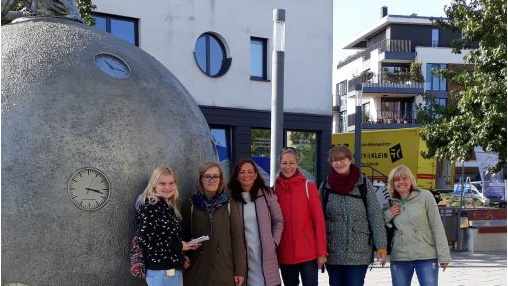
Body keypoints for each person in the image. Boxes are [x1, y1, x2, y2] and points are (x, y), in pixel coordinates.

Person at [319, 145, 387, 286]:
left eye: (342, 159)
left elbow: (375, 215)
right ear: (331, 163)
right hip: (333, 251)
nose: (339, 163)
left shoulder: (363, 184)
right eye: (335, 160)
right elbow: (318, 219)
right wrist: (319, 251)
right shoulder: (326, 186)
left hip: (359, 251)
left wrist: (381, 247)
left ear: (350, 160)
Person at [182, 162, 246, 286]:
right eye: (208, 176)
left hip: (223, 271)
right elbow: (184, 236)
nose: (212, 180)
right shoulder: (190, 204)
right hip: (197, 271)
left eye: (216, 176)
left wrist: (240, 270)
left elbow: (237, 239)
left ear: (220, 179)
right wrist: (183, 257)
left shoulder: (228, 204)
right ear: (201, 179)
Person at [385, 165, 451, 286]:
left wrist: (444, 255)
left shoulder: (425, 196)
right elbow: (378, 225)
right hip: (399, 257)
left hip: (425, 256)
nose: (401, 182)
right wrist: (389, 213)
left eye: (404, 178)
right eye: (397, 179)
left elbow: (437, 225)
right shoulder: (389, 202)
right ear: (392, 183)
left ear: (411, 180)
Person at [136, 167, 201, 286]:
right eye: (162, 183)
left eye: (171, 183)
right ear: (154, 185)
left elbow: (165, 238)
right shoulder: (151, 206)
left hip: (169, 271)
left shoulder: (166, 205)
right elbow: (144, 241)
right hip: (162, 272)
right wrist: (180, 246)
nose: (168, 187)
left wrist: (181, 255)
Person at [274, 147, 327, 286]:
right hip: (285, 254)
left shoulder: (308, 186)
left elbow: (319, 221)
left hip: (308, 253)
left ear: (297, 164)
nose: (288, 167)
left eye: (291, 163)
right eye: (284, 163)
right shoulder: (274, 189)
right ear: (280, 164)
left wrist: (322, 252)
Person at [229, 158, 284, 286]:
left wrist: (274, 242)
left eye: (250, 171)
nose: (246, 175)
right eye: (242, 172)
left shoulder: (266, 194)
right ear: (237, 176)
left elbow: (279, 221)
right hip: (243, 257)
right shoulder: (231, 198)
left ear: (255, 175)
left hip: (266, 255)